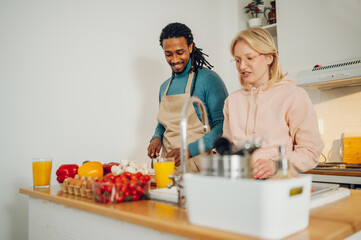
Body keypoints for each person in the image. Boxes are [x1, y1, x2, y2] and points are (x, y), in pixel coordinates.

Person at [223, 27, 324, 179]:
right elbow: (227, 151)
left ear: (269, 58)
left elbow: (310, 150)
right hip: (241, 186)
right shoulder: (232, 101)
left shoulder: (293, 96)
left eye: (249, 58)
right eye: (237, 60)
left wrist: (276, 164)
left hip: (279, 186)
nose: (242, 66)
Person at [147, 22, 228, 174]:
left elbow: (223, 127)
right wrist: (156, 138)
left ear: (190, 48)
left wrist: (189, 150)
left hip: (200, 168)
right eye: (168, 54)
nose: (174, 59)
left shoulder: (209, 79)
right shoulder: (164, 87)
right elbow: (163, 124)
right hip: (169, 169)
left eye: (180, 52)